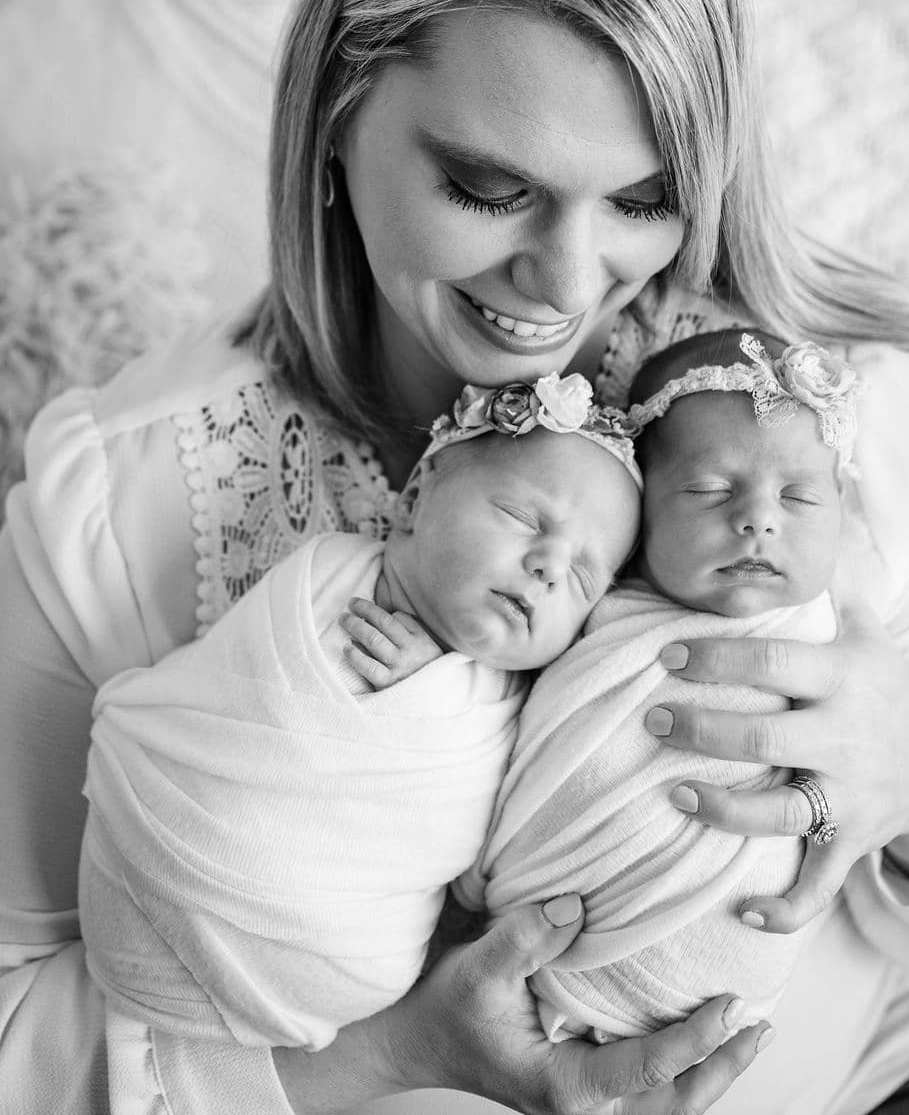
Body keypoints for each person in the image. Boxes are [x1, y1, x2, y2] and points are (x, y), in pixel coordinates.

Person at [0, 0, 909, 1115]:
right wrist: (384, 1060)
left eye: (647, 198)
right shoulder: (119, 500)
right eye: (489, 187)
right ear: (334, 118)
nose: (566, 276)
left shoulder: (845, 425)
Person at [78, 374, 642, 1051]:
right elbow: (258, 685)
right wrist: (425, 686)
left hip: (338, 958)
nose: (551, 566)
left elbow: (478, 855)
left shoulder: (526, 707)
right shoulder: (332, 581)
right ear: (413, 501)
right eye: (524, 518)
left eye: (584, 577)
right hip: (162, 860)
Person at [458, 329, 855, 1042]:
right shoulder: (589, 607)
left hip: (724, 976)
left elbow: (855, 791)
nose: (759, 518)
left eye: (800, 497)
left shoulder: (841, 645)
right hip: (540, 952)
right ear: (640, 514)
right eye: (708, 490)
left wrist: (838, 807)